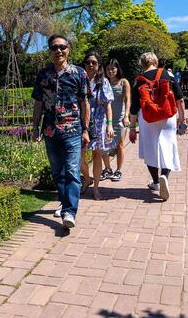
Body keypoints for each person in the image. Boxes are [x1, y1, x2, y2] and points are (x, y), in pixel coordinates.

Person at [32, 35, 91, 229]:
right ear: (49, 51)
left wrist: (86, 129)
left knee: (73, 171)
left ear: (68, 49)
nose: (59, 51)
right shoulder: (43, 75)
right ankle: (65, 204)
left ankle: (70, 212)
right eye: (54, 47)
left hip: (73, 130)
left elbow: (85, 103)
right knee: (58, 172)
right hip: (50, 131)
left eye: (62, 47)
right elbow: (38, 103)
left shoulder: (79, 73)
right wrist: (35, 127)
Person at [128, 52, 186, 201]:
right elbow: (179, 99)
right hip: (167, 115)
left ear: (142, 64)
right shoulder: (168, 75)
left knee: (150, 149)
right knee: (168, 146)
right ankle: (164, 176)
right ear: (156, 61)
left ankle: (155, 182)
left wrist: (132, 128)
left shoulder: (139, 81)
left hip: (147, 118)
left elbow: (134, 107)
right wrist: (182, 117)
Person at [80, 52, 115, 200]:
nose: (90, 65)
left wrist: (110, 125)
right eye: (88, 62)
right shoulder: (79, 79)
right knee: (78, 154)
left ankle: (95, 188)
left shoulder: (103, 82)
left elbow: (108, 106)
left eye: (94, 62)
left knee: (97, 155)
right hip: (81, 122)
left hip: (99, 122)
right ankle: (87, 178)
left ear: (98, 65)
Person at [102, 58, 131, 182]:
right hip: (105, 119)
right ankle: (108, 169)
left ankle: (118, 170)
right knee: (104, 146)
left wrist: (126, 116)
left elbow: (128, 100)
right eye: (108, 69)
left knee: (120, 145)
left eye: (113, 68)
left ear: (117, 69)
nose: (110, 71)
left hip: (120, 118)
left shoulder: (123, 82)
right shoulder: (103, 82)